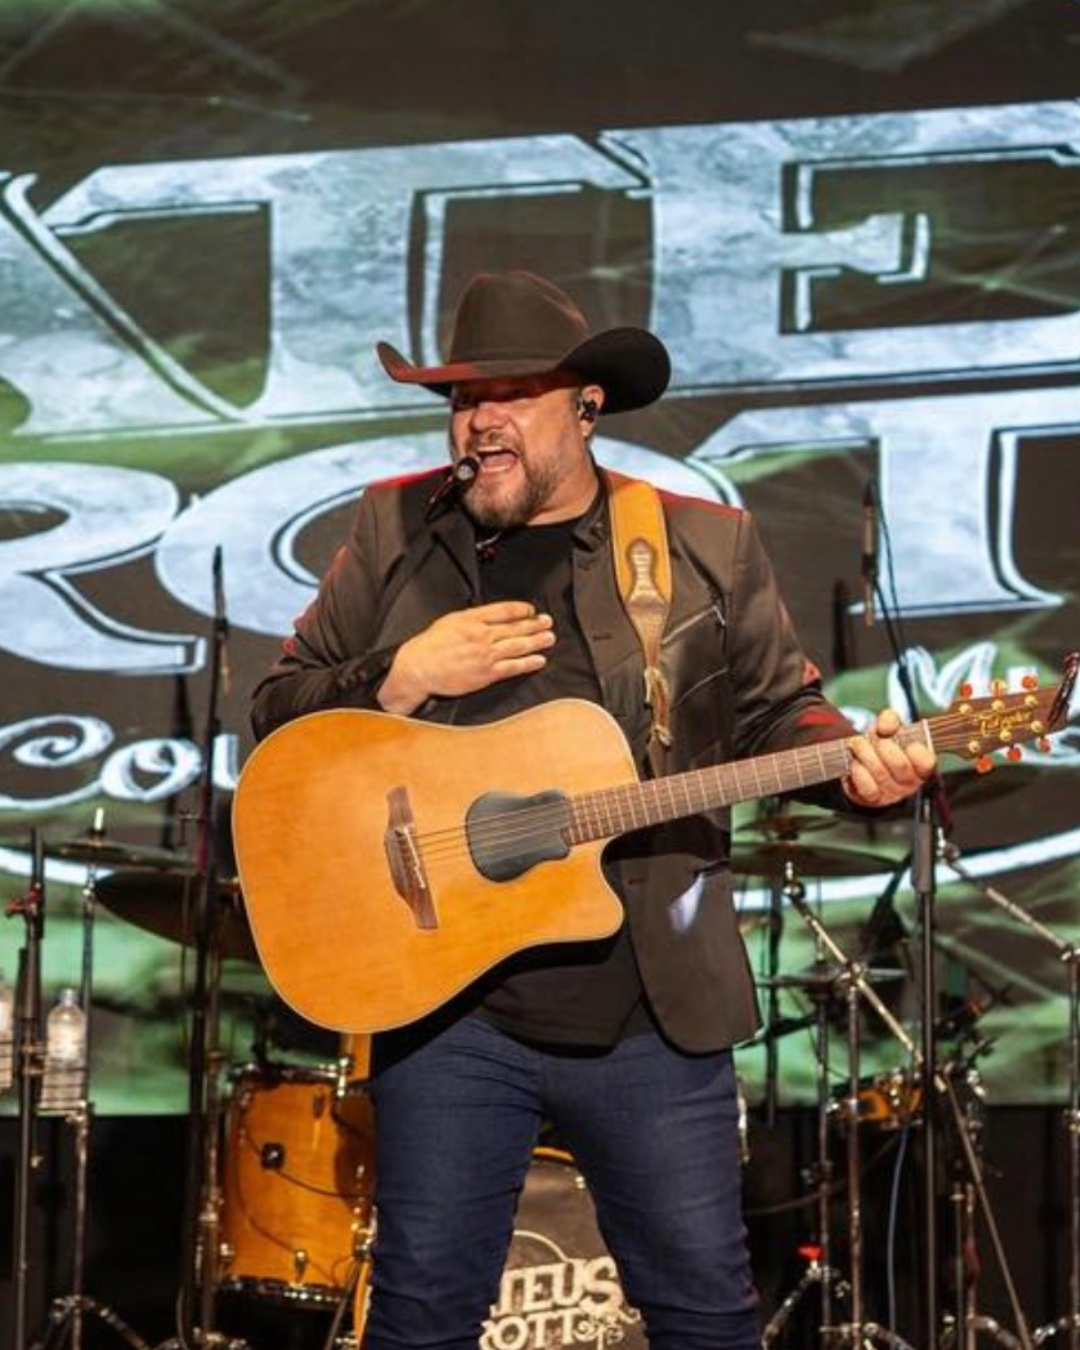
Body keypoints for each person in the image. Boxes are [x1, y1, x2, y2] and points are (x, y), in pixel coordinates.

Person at [249, 269, 937, 1349]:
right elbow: (278, 714)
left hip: (647, 1007)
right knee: (420, 1317)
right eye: (462, 400)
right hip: (450, 1004)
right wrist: (400, 674)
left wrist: (859, 769)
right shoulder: (393, 528)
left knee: (704, 1315)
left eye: (511, 395)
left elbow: (778, 714)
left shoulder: (700, 543)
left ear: (585, 405)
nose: (480, 422)